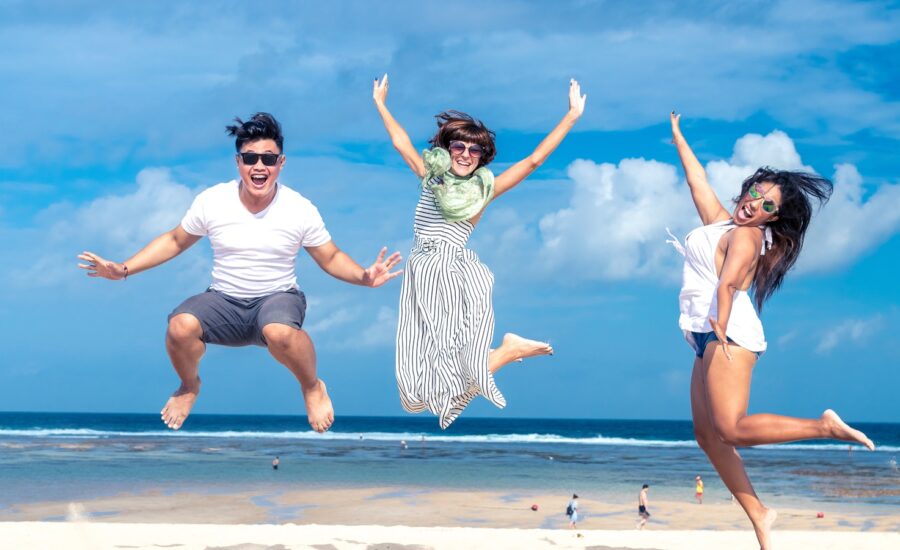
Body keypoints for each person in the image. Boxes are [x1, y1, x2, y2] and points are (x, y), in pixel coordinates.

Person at [78, 113, 402, 433]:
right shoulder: (213, 201)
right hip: (223, 301)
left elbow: (329, 256)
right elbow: (175, 240)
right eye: (250, 158)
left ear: (281, 163)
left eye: (268, 159)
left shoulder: (300, 208)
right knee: (179, 326)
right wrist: (123, 269)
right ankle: (189, 386)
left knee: (279, 332)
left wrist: (364, 276)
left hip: (277, 299)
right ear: (238, 163)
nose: (259, 166)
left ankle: (312, 386)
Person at [668, 112, 876, 550]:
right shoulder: (726, 224)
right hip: (706, 335)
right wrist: (679, 137)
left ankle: (823, 427)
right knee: (708, 437)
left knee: (731, 429)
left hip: (728, 333)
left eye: (767, 206)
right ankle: (760, 515)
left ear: (774, 218)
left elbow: (727, 284)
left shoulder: (748, 236)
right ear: (747, 189)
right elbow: (697, 183)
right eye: (755, 194)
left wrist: (720, 323)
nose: (755, 205)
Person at [373, 74, 586, 428]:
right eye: (459, 147)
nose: (466, 155)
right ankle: (505, 352)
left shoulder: (484, 190)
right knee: (413, 392)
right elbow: (400, 143)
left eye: (475, 150)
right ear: (448, 149)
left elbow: (533, 161)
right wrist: (380, 104)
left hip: (451, 271)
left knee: (446, 372)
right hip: (421, 269)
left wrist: (571, 117)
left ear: (482, 157)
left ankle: (506, 352)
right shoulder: (432, 176)